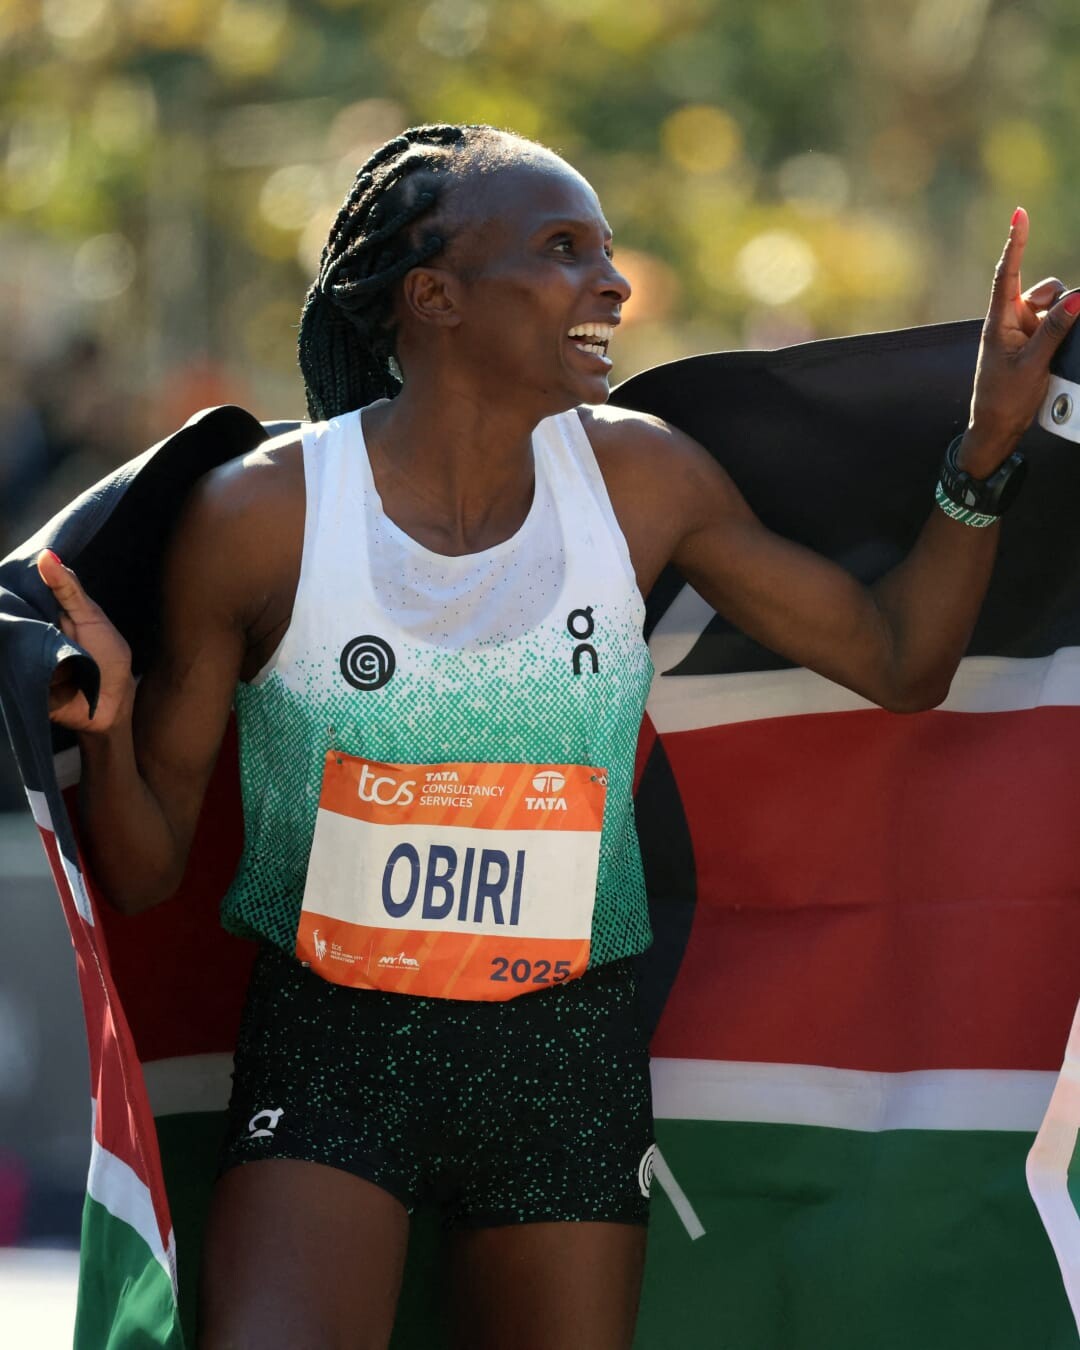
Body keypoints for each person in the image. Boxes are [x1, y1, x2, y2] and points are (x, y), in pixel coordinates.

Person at [35, 123, 1079, 1350]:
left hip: (564, 1053)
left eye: (608, 250)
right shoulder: (264, 514)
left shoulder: (642, 483)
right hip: (333, 1043)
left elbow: (900, 663)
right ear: (434, 296)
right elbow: (145, 873)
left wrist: (983, 454)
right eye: (564, 248)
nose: (614, 283)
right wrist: (110, 730)